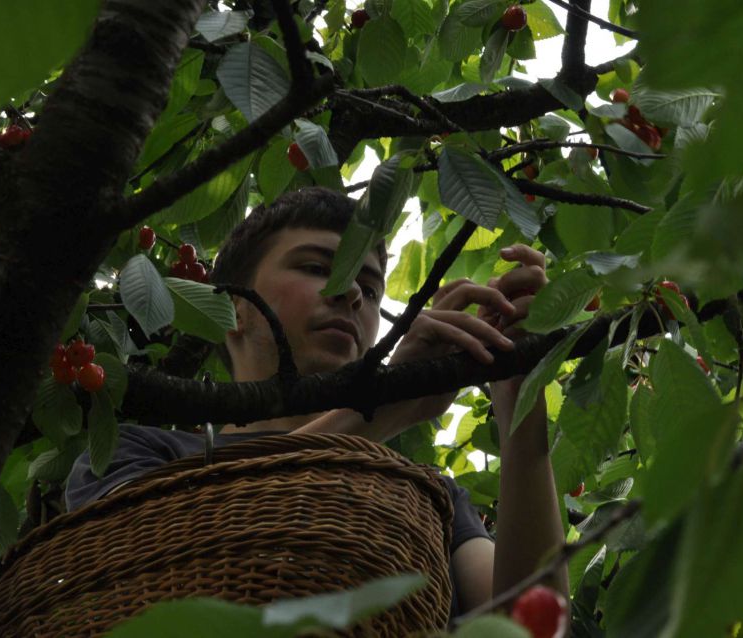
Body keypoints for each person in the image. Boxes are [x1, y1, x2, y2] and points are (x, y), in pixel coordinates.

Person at [65, 186, 566, 620]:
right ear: (234, 309)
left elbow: (528, 626)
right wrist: (381, 406)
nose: (351, 294)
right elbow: (144, 574)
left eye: (370, 290)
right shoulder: (138, 454)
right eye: (316, 266)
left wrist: (517, 393)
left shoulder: (430, 495)